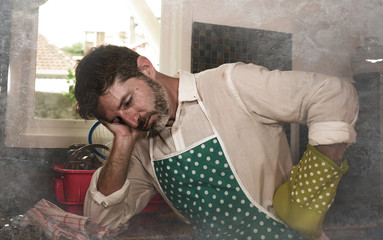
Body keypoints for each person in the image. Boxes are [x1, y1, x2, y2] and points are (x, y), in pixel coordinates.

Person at [74, 45, 358, 239]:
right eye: (117, 119)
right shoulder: (137, 144)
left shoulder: (228, 85)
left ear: (146, 68)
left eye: (128, 101)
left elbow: (332, 92)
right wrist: (122, 140)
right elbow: (100, 224)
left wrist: (313, 181)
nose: (133, 120)